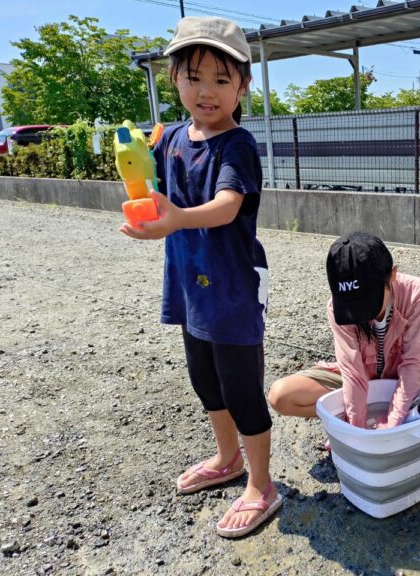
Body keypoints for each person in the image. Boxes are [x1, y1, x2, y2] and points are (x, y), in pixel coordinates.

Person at [118, 16, 281, 538]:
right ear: (174, 80)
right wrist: (137, 163)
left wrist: (177, 219)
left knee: (241, 388)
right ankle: (227, 457)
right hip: (190, 284)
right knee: (204, 380)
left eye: (220, 79)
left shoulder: (237, 145)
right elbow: (154, 187)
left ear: (243, 86)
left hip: (231, 288)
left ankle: (262, 484)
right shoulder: (172, 138)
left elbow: (227, 206)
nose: (206, 91)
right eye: (194, 77)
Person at [268, 231, 420, 431]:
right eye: (353, 307)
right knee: (281, 396)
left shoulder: (418, 294)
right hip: (362, 375)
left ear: (392, 275)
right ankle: (348, 420)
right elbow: (353, 372)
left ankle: (412, 421)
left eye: (368, 303)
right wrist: (356, 431)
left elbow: (414, 363)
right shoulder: (335, 307)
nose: (363, 315)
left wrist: (393, 422)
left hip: (411, 376)